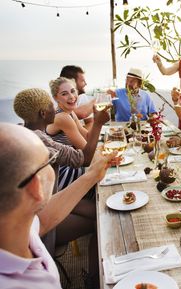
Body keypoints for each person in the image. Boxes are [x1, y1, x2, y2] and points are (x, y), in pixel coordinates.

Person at [13, 88, 111, 287]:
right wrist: (98, 123)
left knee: (100, 213)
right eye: (51, 105)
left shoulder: (27, 133)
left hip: (47, 204)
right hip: (40, 221)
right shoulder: (38, 142)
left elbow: (80, 156)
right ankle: (94, 281)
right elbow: (84, 159)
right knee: (101, 222)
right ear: (43, 113)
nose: (55, 108)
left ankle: (94, 277)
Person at [46, 77, 92, 190]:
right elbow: (87, 152)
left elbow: (87, 136)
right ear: (56, 98)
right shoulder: (62, 117)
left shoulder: (70, 113)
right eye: (64, 94)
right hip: (60, 173)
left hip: (71, 164)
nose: (71, 97)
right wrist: (98, 123)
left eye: (72, 91)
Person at [60, 65, 95, 130]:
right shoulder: (57, 102)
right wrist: (99, 99)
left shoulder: (81, 97)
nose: (86, 84)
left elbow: (89, 121)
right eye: (82, 81)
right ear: (72, 82)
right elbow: (82, 114)